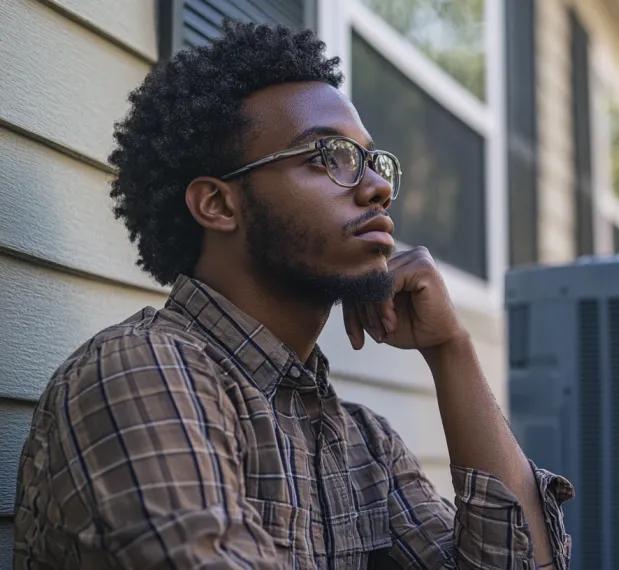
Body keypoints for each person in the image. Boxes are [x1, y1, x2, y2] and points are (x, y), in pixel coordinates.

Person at [13, 21, 572, 569]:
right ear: (218, 205)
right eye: (328, 157)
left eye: (370, 161)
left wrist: (451, 349)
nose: (376, 187)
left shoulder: (363, 444)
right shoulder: (140, 373)